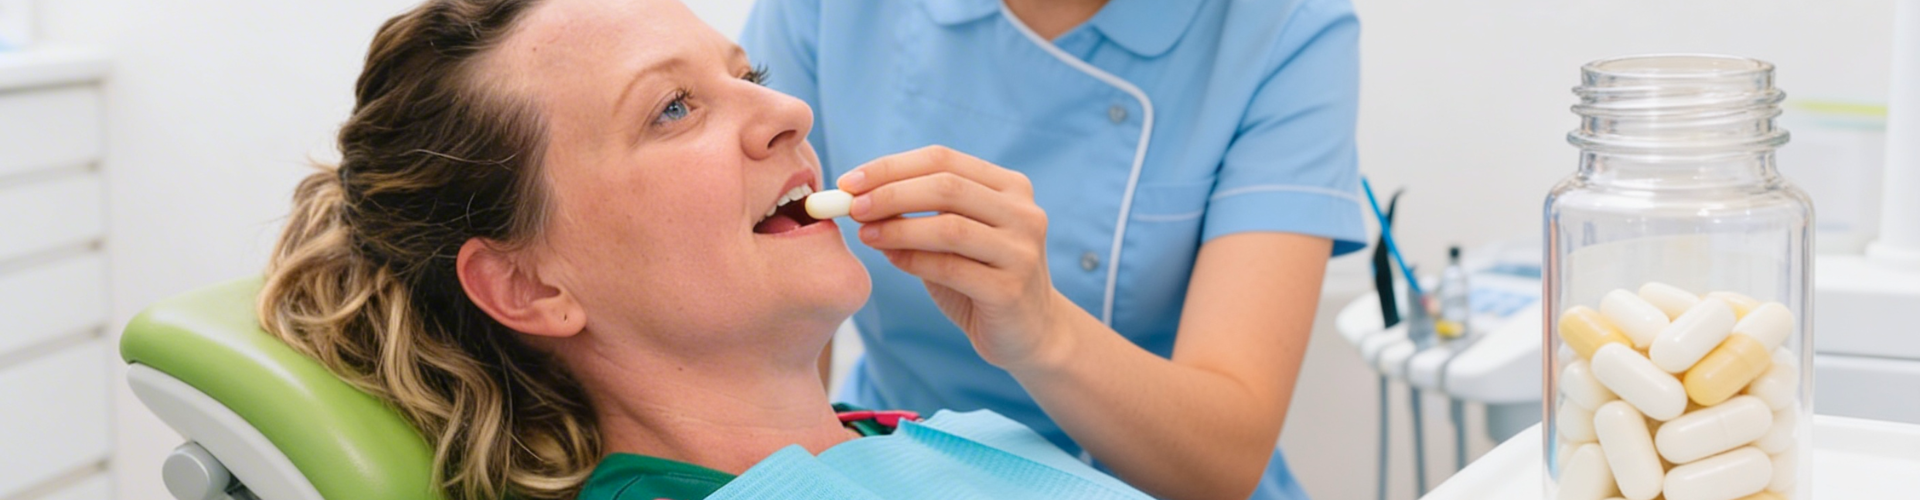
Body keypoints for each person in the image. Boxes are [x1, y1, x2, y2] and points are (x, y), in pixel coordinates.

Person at [254, 1, 1138, 499]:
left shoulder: (955, 437)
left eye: (745, 76)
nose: (789, 111)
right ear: (524, 286)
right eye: (672, 108)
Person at [741, 0, 1369, 498]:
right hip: (892, 458)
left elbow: (1227, 461)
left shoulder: (1286, 30)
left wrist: (1043, 331)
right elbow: (772, 306)